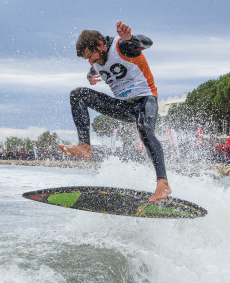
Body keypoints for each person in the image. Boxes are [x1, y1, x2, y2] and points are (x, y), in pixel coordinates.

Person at [59, 21, 170, 202]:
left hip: (145, 101)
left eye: (91, 56)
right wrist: (90, 76)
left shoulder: (123, 46)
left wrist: (131, 38)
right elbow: (95, 66)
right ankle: (84, 146)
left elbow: (147, 42)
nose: (91, 61)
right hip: (123, 106)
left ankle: (163, 183)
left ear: (101, 45)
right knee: (77, 95)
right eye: (87, 59)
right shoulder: (96, 61)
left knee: (144, 128)